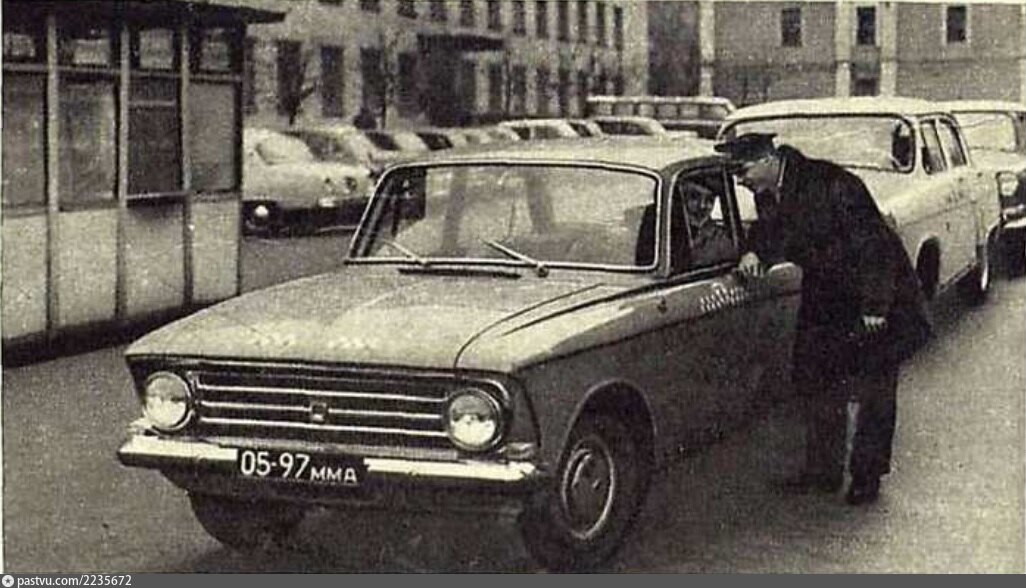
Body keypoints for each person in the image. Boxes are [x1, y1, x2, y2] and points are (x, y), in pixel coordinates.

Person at [718, 132, 932, 505]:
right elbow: (771, 230)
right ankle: (823, 470)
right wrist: (755, 252)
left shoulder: (833, 183)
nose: (741, 180)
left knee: (875, 389)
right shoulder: (768, 191)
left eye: (743, 170)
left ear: (768, 159)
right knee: (816, 376)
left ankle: (867, 477)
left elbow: (875, 245)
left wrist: (875, 307)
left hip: (878, 292)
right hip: (829, 293)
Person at [678, 181, 734, 267]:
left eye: (709, 200)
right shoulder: (666, 234)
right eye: (694, 197)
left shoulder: (720, 239)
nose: (702, 206)